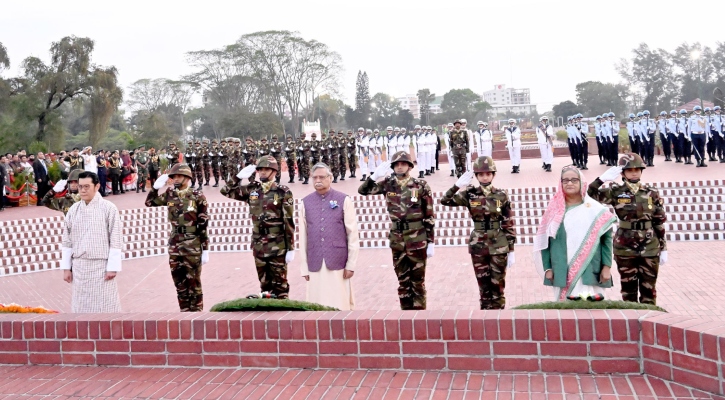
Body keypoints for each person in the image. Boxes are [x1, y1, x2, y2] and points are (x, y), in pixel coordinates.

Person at [358, 151, 435, 310]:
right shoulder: (388, 184)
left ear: (409, 166)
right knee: (403, 281)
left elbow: (429, 215)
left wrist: (431, 241)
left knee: (418, 281)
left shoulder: (420, 185)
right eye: (397, 164)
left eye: (403, 164)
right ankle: (406, 316)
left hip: (417, 238)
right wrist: (373, 177)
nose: (400, 167)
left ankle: (419, 317)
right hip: (397, 239)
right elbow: (363, 191)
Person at [587, 153, 667, 305]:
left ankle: (648, 323)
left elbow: (658, 222)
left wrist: (663, 248)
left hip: (650, 246)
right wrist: (601, 180)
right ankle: (630, 323)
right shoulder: (615, 192)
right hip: (625, 246)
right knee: (628, 291)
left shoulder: (651, 192)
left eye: (638, 169)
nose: (634, 172)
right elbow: (588, 196)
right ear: (622, 173)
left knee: (649, 290)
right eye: (630, 170)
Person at [440, 157, 515, 309]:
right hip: (478, 245)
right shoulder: (469, 194)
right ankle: (485, 320)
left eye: (488, 173)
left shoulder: (502, 194)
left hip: (499, 245)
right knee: (483, 286)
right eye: (481, 174)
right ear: (476, 176)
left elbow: (508, 222)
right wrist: (456, 186)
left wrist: (511, 249)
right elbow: (445, 200)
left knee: (498, 285)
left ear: (493, 174)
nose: (485, 177)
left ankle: (499, 318)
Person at [533, 165, 617, 301]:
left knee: (592, 311)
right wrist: (547, 268)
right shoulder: (554, 210)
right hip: (561, 269)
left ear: (581, 183)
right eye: (565, 180)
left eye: (574, 180)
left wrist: (607, 267)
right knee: (565, 315)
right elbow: (545, 242)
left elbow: (606, 240)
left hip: (590, 269)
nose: (569, 183)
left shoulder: (595, 209)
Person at [221, 156, 295, 298]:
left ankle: (282, 315)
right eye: (260, 170)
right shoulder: (252, 189)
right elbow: (226, 191)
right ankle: (267, 317)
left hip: (277, 245)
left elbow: (288, 221)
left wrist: (290, 248)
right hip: (259, 244)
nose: (262, 172)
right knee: (264, 286)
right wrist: (237, 178)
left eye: (266, 170)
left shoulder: (282, 192)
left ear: (274, 172)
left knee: (280, 285)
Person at [146, 164, 210, 311]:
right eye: (174, 176)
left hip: (192, 243)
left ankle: (197, 314)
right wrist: (155, 188)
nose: (176, 179)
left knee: (193, 283)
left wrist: (205, 249)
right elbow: (150, 203)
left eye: (179, 176)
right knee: (179, 283)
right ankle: (184, 313)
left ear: (187, 178)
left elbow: (203, 223)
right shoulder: (170, 193)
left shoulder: (197, 195)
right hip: (175, 243)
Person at [299, 163, 359, 310]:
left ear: (330, 178)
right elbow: (302, 237)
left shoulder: (344, 200)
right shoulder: (305, 203)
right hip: (315, 261)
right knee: (316, 306)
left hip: (338, 261)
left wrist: (351, 264)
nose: (318, 180)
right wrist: (304, 268)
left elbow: (352, 234)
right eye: (315, 177)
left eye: (322, 177)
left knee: (340, 304)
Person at [60, 171, 123, 312]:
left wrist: (112, 267)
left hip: (101, 266)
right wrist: (66, 268)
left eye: (87, 186)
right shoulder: (73, 210)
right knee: (81, 307)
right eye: (80, 186)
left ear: (97, 186)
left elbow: (116, 238)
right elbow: (67, 240)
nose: (82, 190)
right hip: (79, 267)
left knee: (106, 307)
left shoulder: (109, 208)